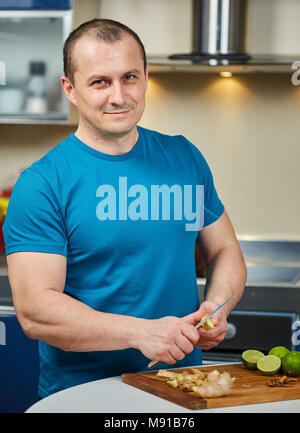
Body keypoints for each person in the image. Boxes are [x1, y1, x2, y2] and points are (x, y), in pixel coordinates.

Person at [3, 19, 247, 399]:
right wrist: (141, 332)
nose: (119, 95)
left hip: (182, 390)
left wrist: (218, 306)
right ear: (69, 88)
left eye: (129, 77)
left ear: (146, 76)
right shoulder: (43, 183)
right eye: (100, 82)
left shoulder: (184, 157)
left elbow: (224, 249)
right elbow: (36, 311)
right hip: (82, 396)